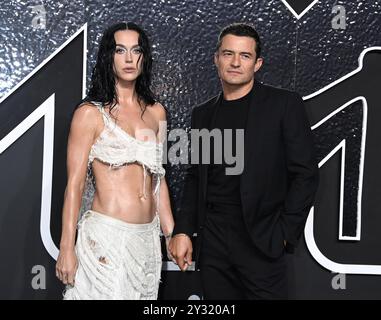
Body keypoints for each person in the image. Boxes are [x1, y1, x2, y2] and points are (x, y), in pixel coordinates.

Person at [169, 22, 319, 299]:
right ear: (216, 59)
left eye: (245, 56)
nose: (236, 62)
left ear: (257, 63)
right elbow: (195, 177)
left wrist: (284, 232)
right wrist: (183, 230)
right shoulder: (203, 114)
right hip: (212, 239)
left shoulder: (284, 104)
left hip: (261, 239)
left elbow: (305, 173)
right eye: (228, 54)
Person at [55, 22, 174, 300]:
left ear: (145, 56)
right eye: (120, 50)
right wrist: (66, 247)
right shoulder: (90, 114)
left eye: (136, 50)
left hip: (146, 241)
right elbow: (75, 184)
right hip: (106, 239)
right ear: (109, 57)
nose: (129, 59)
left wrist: (170, 234)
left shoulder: (157, 113)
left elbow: (158, 178)